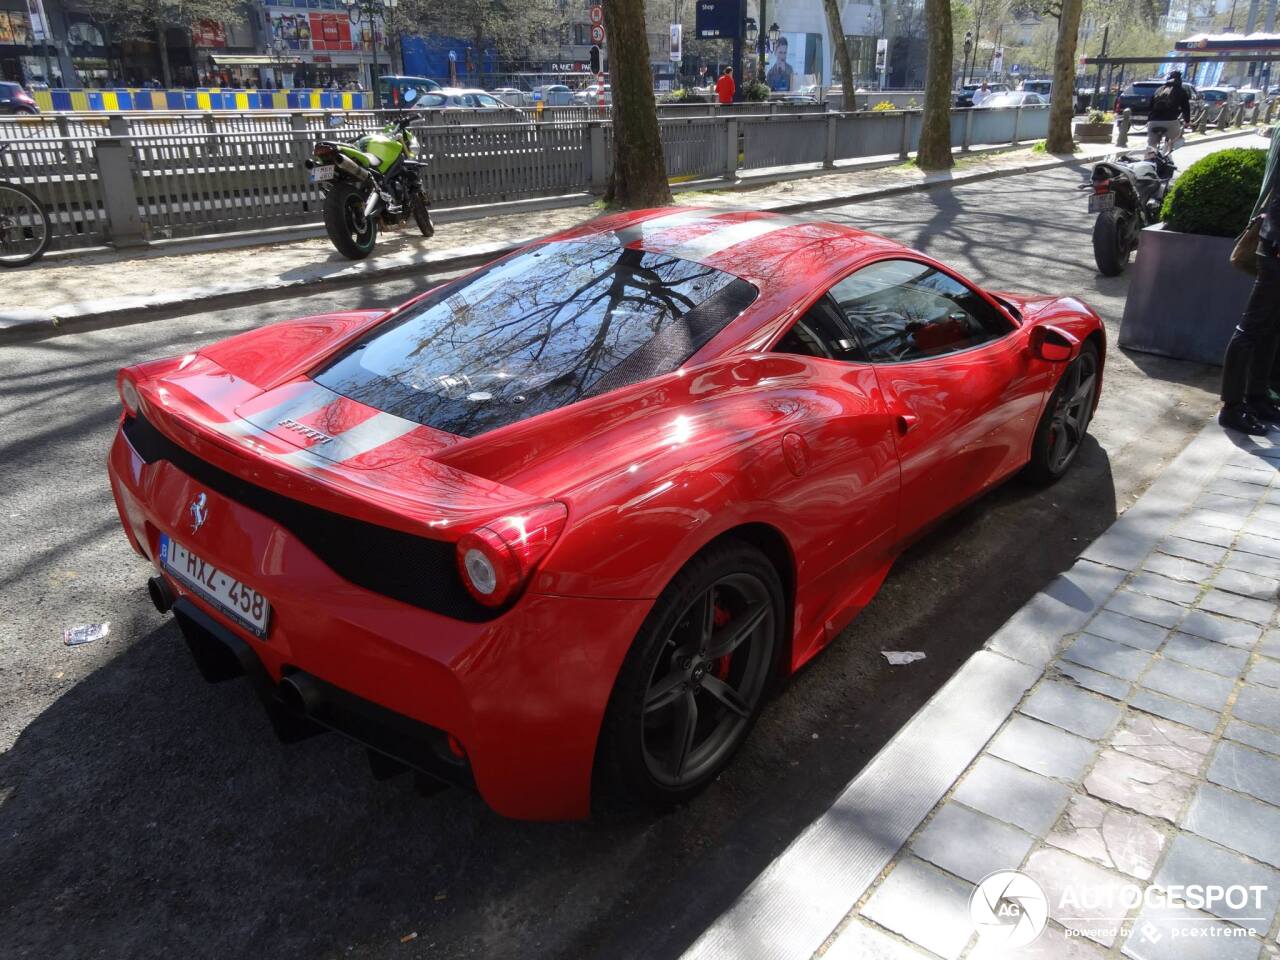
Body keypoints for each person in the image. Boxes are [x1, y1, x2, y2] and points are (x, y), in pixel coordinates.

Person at [1219, 124, 1280, 435]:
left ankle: (1256, 397)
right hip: (1276, 247)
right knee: (1252, 327)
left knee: (1269, 328)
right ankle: (1232, 406)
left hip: (1273, 243)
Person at [1147, 70, 1191, 150]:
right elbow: (1186, 108)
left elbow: (1150, 105)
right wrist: (1187, 121)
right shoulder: (1181, 91)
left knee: (1151, 146)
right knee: (1179, 141)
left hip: (1153, 121)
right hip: (1171, 120)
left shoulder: (1159, 90)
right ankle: (1166, 154)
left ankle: (1149, 157)